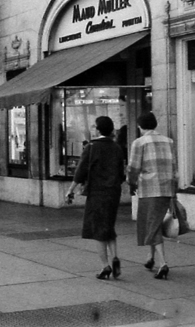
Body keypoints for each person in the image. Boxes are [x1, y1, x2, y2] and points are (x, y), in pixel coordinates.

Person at [65, 116, 125, 280]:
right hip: (113, 193)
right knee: (109, 226)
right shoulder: (117, 148)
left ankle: (105, 265)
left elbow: (80, 172)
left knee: (98, 230)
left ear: (98, 129)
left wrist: (70, 190)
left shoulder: (91, 147)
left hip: (97, 193)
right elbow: (121, 174)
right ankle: (115, 257)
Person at [127, 112, 178, 280]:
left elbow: (133, 167)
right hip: (166, 189)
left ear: (140, 126)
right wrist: (173, 192)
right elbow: (174, 167)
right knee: (153, 223)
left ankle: (163, 263)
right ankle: (151, 258)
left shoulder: (139, 142)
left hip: (149, 189)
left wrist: (131, 183)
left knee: (151, 225)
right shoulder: (168, 141)